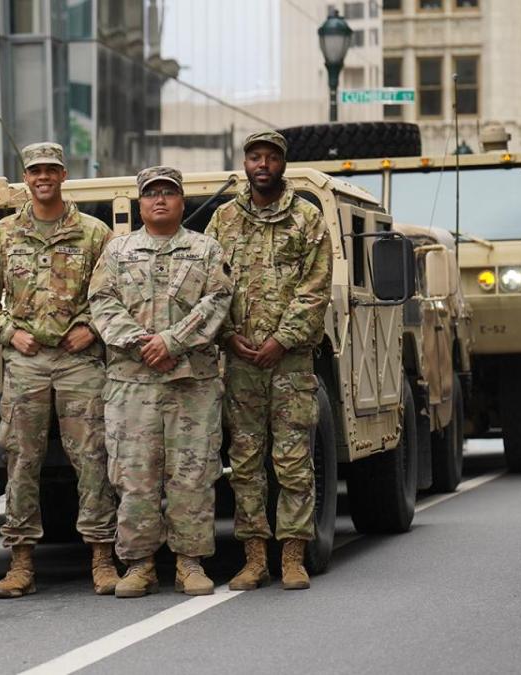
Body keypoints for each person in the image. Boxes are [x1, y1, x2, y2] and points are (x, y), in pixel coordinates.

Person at [0, 141, 120, 598]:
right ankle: (19, 562)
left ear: (63, 174)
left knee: (93, 458)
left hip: (79, 363)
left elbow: (115, 292)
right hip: (27, 364)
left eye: (51, 169)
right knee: (20, 461)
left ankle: (101, 555)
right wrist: (8, 333)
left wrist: (92, 328)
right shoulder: (2, 235)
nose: (43, 177)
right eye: (35, 170)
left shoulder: (95, 234)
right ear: (25, 176)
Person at [88, 166, 232, 598]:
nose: (160, 200)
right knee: (134, 475)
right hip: (131, 384)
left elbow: (219, 299)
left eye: (169, 193)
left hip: (192, 383)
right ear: (140, 203)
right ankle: (139, 564)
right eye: (152, 194)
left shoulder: (206, 250)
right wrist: (140, 343)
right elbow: (101, 301)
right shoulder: (118, 252)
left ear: (181, 201)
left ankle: (190, 563)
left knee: (192, 474)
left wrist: (172, 341)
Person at [204, 130, 333, 591]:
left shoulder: (306, 219)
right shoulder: (223, 221)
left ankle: (293, 555)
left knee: (294, 460)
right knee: (244, 462)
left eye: (271, 158)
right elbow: (208, 286)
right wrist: (227, 336)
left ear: (283, 164)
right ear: (245, 163)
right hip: (239, 363)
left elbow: (315, 288)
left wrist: (282, 339)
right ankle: (254, 557)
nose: (262, 165)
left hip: (290, 363)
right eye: (255, 157)